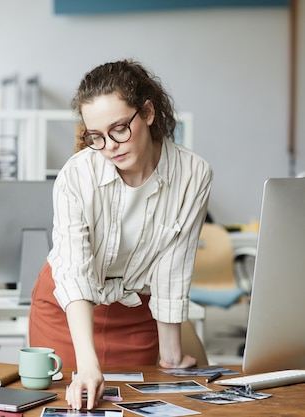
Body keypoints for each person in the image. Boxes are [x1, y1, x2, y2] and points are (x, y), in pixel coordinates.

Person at [28, 59, 213, 410]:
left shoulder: (194, 174)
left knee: (137, 407)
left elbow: (173, 269)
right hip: (68, 311)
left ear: (147, 112)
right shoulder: (76, 175)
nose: (110, 145)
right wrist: (87, 366)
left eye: (119, 129)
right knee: (73, 404)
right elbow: (74, 272)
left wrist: (172, 356)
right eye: (95, 136)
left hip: (135, 312)